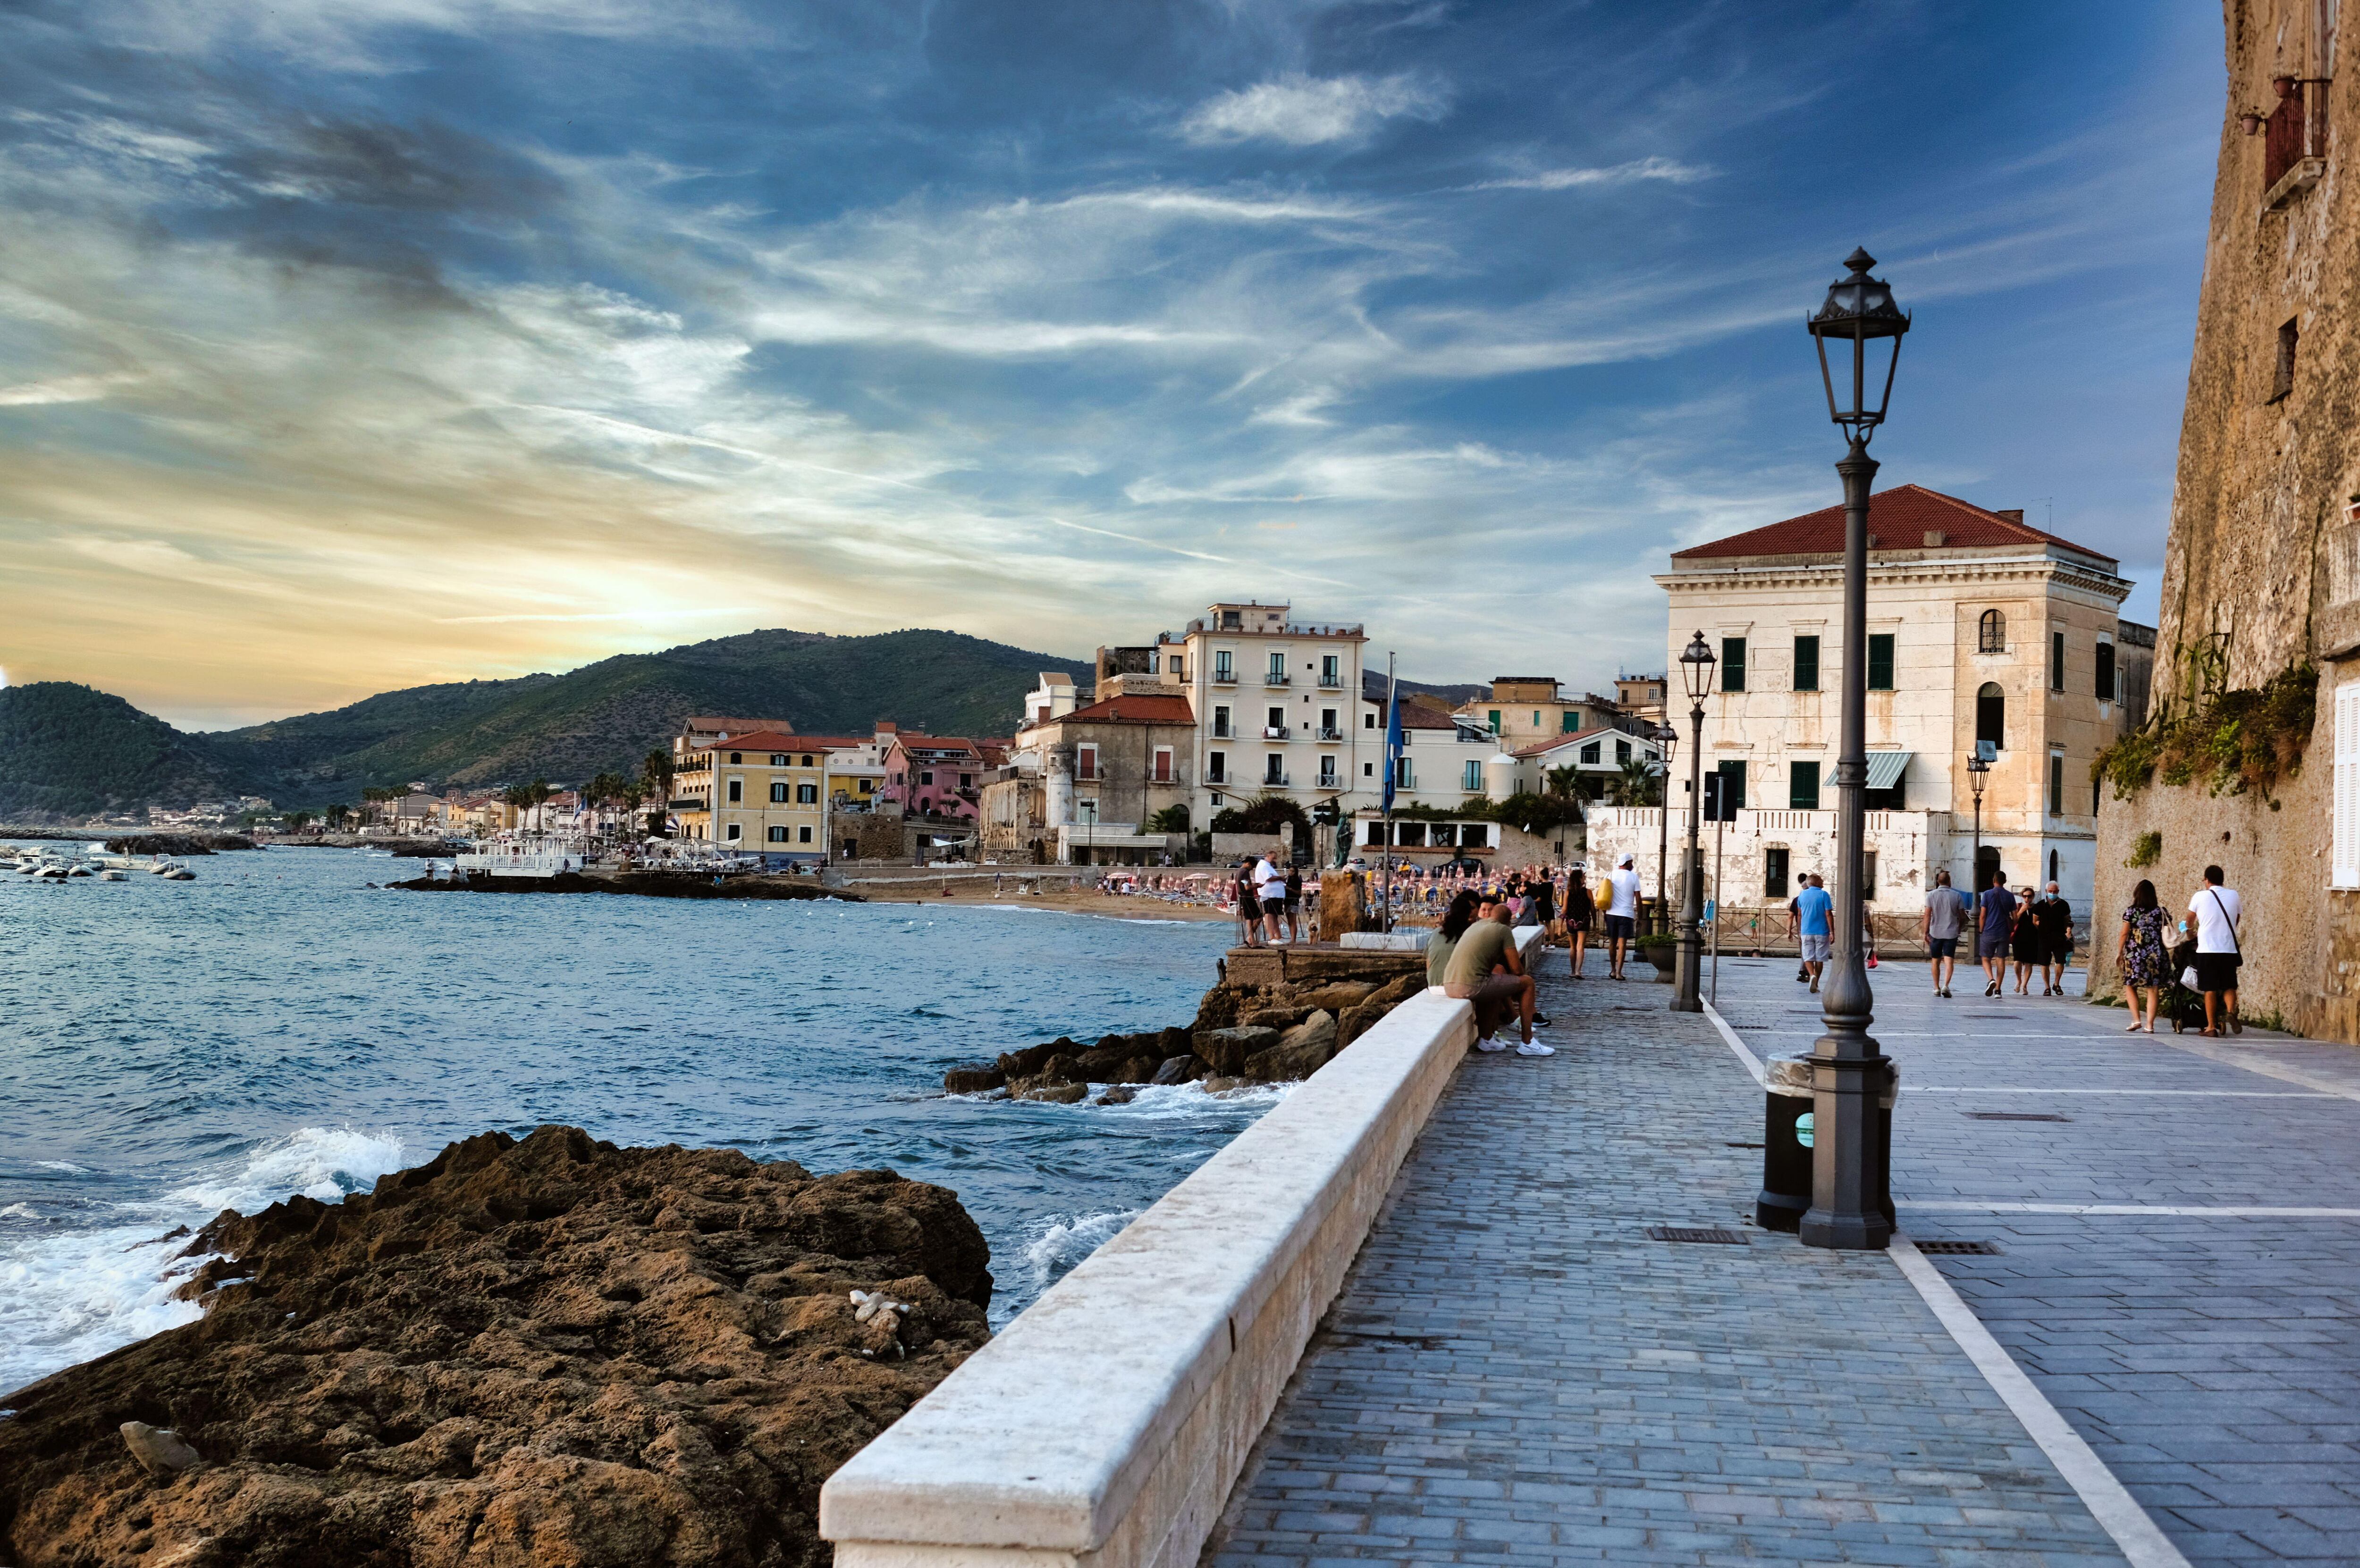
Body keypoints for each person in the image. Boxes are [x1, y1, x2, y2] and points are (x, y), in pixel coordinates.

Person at [1443, 893, 1551, 1055]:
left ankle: (1486, 1039)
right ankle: (1528, 1042)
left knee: (1495, 985)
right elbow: (1517, 970)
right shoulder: (1503, 930)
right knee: (1528, 983)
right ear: (1508, 921)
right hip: (1470, 986)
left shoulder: (1476, 926)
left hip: (1449, 986)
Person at [2187, 865, 2243, 1035]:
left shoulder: (2200, 896)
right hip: (2228, 949)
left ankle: (2211, 1027)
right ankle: (2230, 1012)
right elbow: (2237, 919)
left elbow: (2189, 921)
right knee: (2229, 986)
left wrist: (2190, 933)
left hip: (2207, 949)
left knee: (2210, 988)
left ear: (2207, 880)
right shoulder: (2234, 895)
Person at [2115, 878, 2170, 1033]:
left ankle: (2136, 1019)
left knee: (2130, 985)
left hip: (2135, 955)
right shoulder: (2160, 912)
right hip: (2156, 954)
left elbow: (2124, 933)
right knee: (2153, 989)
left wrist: (2119, 953)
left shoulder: (2131, 912)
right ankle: (2150, 1026)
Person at [1922, 868, 1967, 998]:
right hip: (1951, 933)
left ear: (1938, 881)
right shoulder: (1957, 896)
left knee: (1935, 961)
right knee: (1949, 961)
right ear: (1950, 882)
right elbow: (1962, 916)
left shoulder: (1931, 895)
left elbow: (1927, 915)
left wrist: (1926, 932)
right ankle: (1946, 986)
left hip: (1935, 932)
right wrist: (1959, 928)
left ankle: (1936, 988)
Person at [1427, 889, 1481, 989]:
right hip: (1457, 988)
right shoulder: (1472, 933)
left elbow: (1429, 964)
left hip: (1433, 987)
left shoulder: (1436, 933)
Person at [1791, 872, 1833, 993]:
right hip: (1822, 932)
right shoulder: (1824, 895)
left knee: (1808, 957)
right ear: (1817, 883)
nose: (1823, 882)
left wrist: (1799, 931)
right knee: (1820, 958)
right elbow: (1828, 914)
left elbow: (1799, 914)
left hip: (1806, 931)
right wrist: (1832, 932)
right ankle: (1817, 981)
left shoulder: (1802, 895)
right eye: (1822, 881)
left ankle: (1811, 975)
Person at [1602, 853, 1643, 981]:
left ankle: (1613, 970)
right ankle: (1620, 972)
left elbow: (1603, 894)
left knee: (1612, 943)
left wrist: (1604, 912)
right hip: (1626, 914)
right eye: (1632, 862)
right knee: (1623, 944)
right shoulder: (1634, 877)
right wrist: (1640, 917)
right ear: (1628, 863)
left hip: (1611, 913)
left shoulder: (1610, 874)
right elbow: (1638, 897)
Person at [1977, 872, 2018, 996]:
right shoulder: (2010, 896)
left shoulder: (1987, 894)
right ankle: (1998, 990)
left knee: (1985, 958)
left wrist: (1981, 929)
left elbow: (1983, 914)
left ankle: (1991, 979)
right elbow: (2015, 916)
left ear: (1994, 880)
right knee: (2001, 960)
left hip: (1989, 930)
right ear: (2005, 881)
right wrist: (2012, 928)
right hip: (2004, 932)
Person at [2031, 881, 2075, 996]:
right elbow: (2035, 921)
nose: (2052, 893)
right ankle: (2047, 987)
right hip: (2044, 938)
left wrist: (2067, 930)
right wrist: (2041, 927)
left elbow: (2067, 920)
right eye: (2050, 891)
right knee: (2044, 963)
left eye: (2055, 892)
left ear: (2058, 892)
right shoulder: (2040, 905)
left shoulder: (2064, 905)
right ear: (2046, 891)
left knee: (2061, 961)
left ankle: (2057, 983)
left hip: (2059, 937)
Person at [2009, 878, 2047, 995]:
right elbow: (2013, 922)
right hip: (2019, 937)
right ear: (2022, 896)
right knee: (2017, 962)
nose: (2027, 899)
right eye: (2025, 896)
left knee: (2029, 963)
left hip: (2032, 937)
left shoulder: (2037, 908)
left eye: (2029, 896)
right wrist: (2021, 912)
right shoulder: (2018, 906)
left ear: (2033, 897)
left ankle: (2025, 985)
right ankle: (2019, 981)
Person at [1564, 866, 1594, 980]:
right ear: (1581, 879)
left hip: (1571, 921)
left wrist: (1562, 922)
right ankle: (1578, 971)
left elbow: (1565, 909)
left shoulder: (1568, 892)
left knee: (1572, 947)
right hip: (1584, 921)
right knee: (1580, 946)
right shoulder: (1588, 892)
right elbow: (1592, 909)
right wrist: (1595, 922)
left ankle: (1572, 971)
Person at [1254, 847, 1288, 945]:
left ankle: (1278, 936)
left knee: (1275, 915)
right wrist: (1280, 878)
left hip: (1275, 895)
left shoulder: (1268, 866)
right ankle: (1271, 937)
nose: (1275, 861)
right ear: (1268, 857)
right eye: (1273, 858)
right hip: (1269, 895)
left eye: (1276, 859)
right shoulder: (1264, 865)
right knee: (1269, 914)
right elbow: (1268, 878)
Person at [1231, 858, 1263, 948]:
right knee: (1259, 917)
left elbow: (1244, 885)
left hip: (1243, 898)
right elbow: (1247, 887)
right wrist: (1257, 886)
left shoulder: (1239, 872)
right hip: (1248, 897)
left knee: (1249, 919)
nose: (1252, 869)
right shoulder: (1245, 872)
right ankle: (1250, 938)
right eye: (1252, 867)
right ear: (1249, 864)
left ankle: (1252, 941)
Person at [1283, 864, 1304, 944]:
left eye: (1293, 871)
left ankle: (1293, 939)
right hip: (1287, 901)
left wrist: (1290, 889)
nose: (1291, 873)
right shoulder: (1288, 879)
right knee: (1289, 920)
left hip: (1294, 901)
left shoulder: (1298, 881)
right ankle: (1291, 937)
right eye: (1290, 871)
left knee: (1293, 920)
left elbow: (1299, 893)